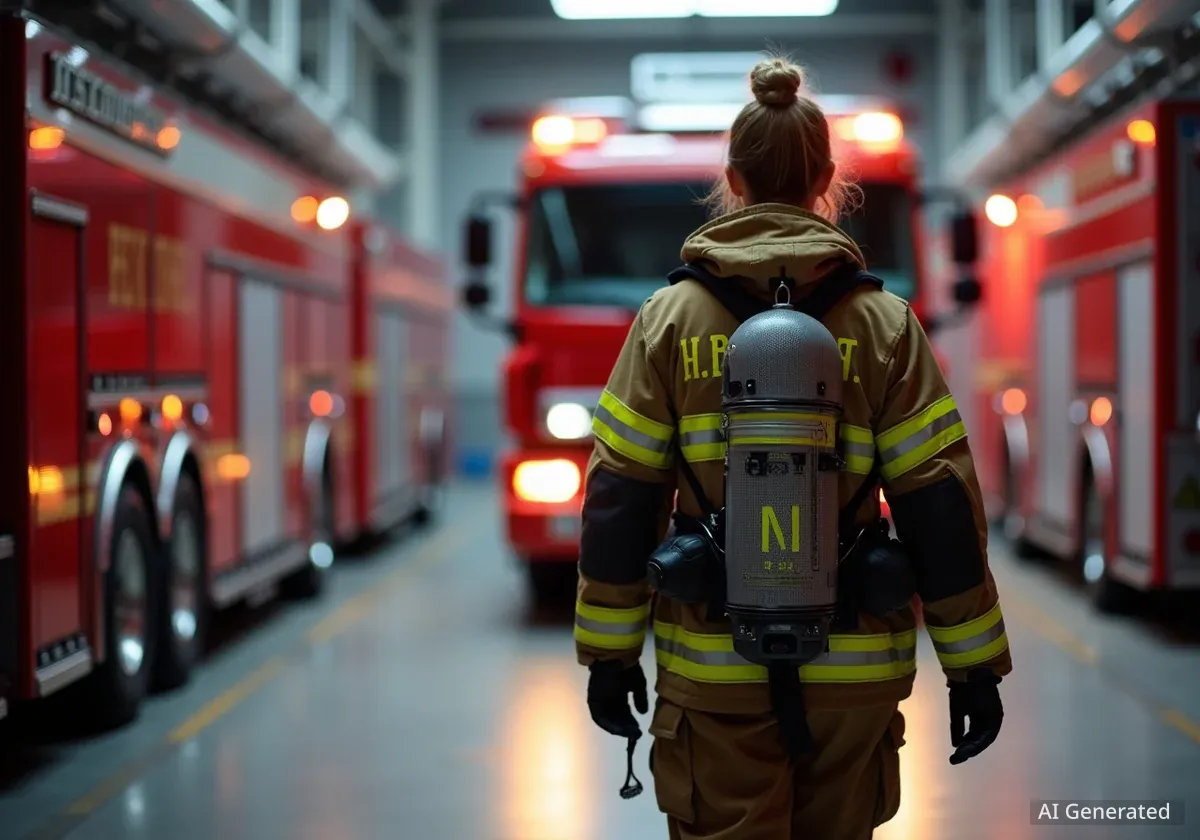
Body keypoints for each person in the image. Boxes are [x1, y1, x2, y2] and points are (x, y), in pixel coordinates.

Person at [574, 56, 1012, 840]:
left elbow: (620, 496)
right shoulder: (885, 325)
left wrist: (610, 655)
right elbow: (937, 503)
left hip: (713, 673)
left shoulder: (668, 321)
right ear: (827, 180)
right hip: (857, 677)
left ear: (732, 180)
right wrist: (972, 665)